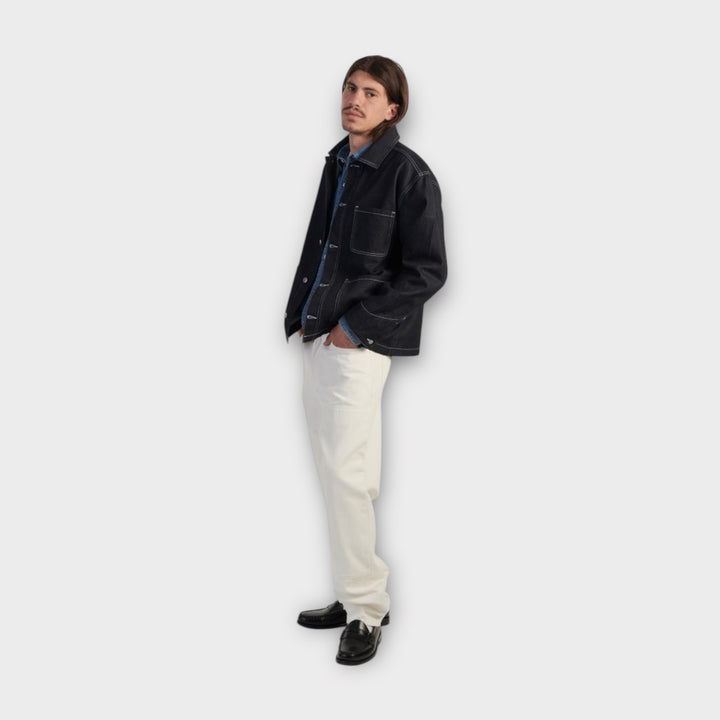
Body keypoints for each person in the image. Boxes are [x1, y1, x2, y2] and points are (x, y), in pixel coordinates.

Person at [284, 55, 447, 665]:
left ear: (393, 108)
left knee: (346, 476)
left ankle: (366, 609)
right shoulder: (340, 161)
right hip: (321, 333)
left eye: (370, 92)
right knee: (345, 474)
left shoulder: (408, 173)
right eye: (350, 88)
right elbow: (323, 247)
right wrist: (306, 317)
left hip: (357, 340)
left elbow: (427, 271)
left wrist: (353, 329)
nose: (354, 99)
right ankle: (356, 590)